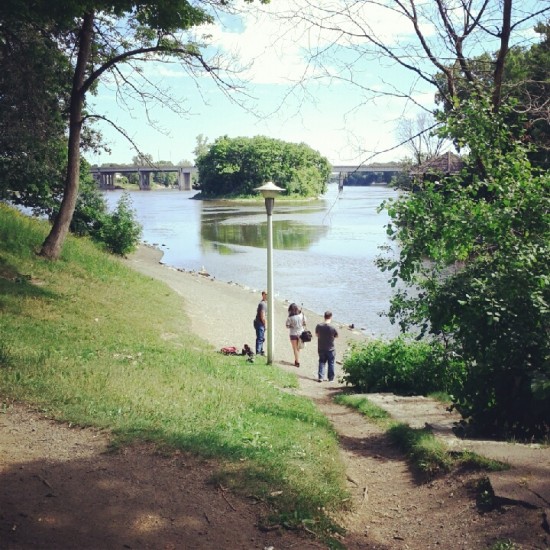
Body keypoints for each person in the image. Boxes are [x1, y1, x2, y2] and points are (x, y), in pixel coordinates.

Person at [315, 311, 338, 382]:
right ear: (331, 317)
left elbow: (316, 334)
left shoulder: (319, 326)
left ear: (324, 316)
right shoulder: (333, 327)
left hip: (321, 347)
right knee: (331, 363)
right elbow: (336, 336)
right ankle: (330, 378)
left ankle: (321, 377)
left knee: (322, 361)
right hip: (331, 348)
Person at [285, 303, 306, 367]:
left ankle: (297, 361)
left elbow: (287, 326)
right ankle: (297, 360)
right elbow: (305, 323)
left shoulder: (290, 317)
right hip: (301, 333)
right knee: (298, 348)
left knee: (295, 348)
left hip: (293, 334)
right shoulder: (302, 315)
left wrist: (292, 326)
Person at [253, 291, 267, 356]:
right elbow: (262, 316)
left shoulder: (265, 303)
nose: (268, 295)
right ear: (263, 295)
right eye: (266, 294)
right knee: (260, 338)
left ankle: (261, 351)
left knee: (262, 338)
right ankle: (258, 353)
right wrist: (265, 324)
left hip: (260, 323)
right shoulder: (262, 304)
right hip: (260, 323)